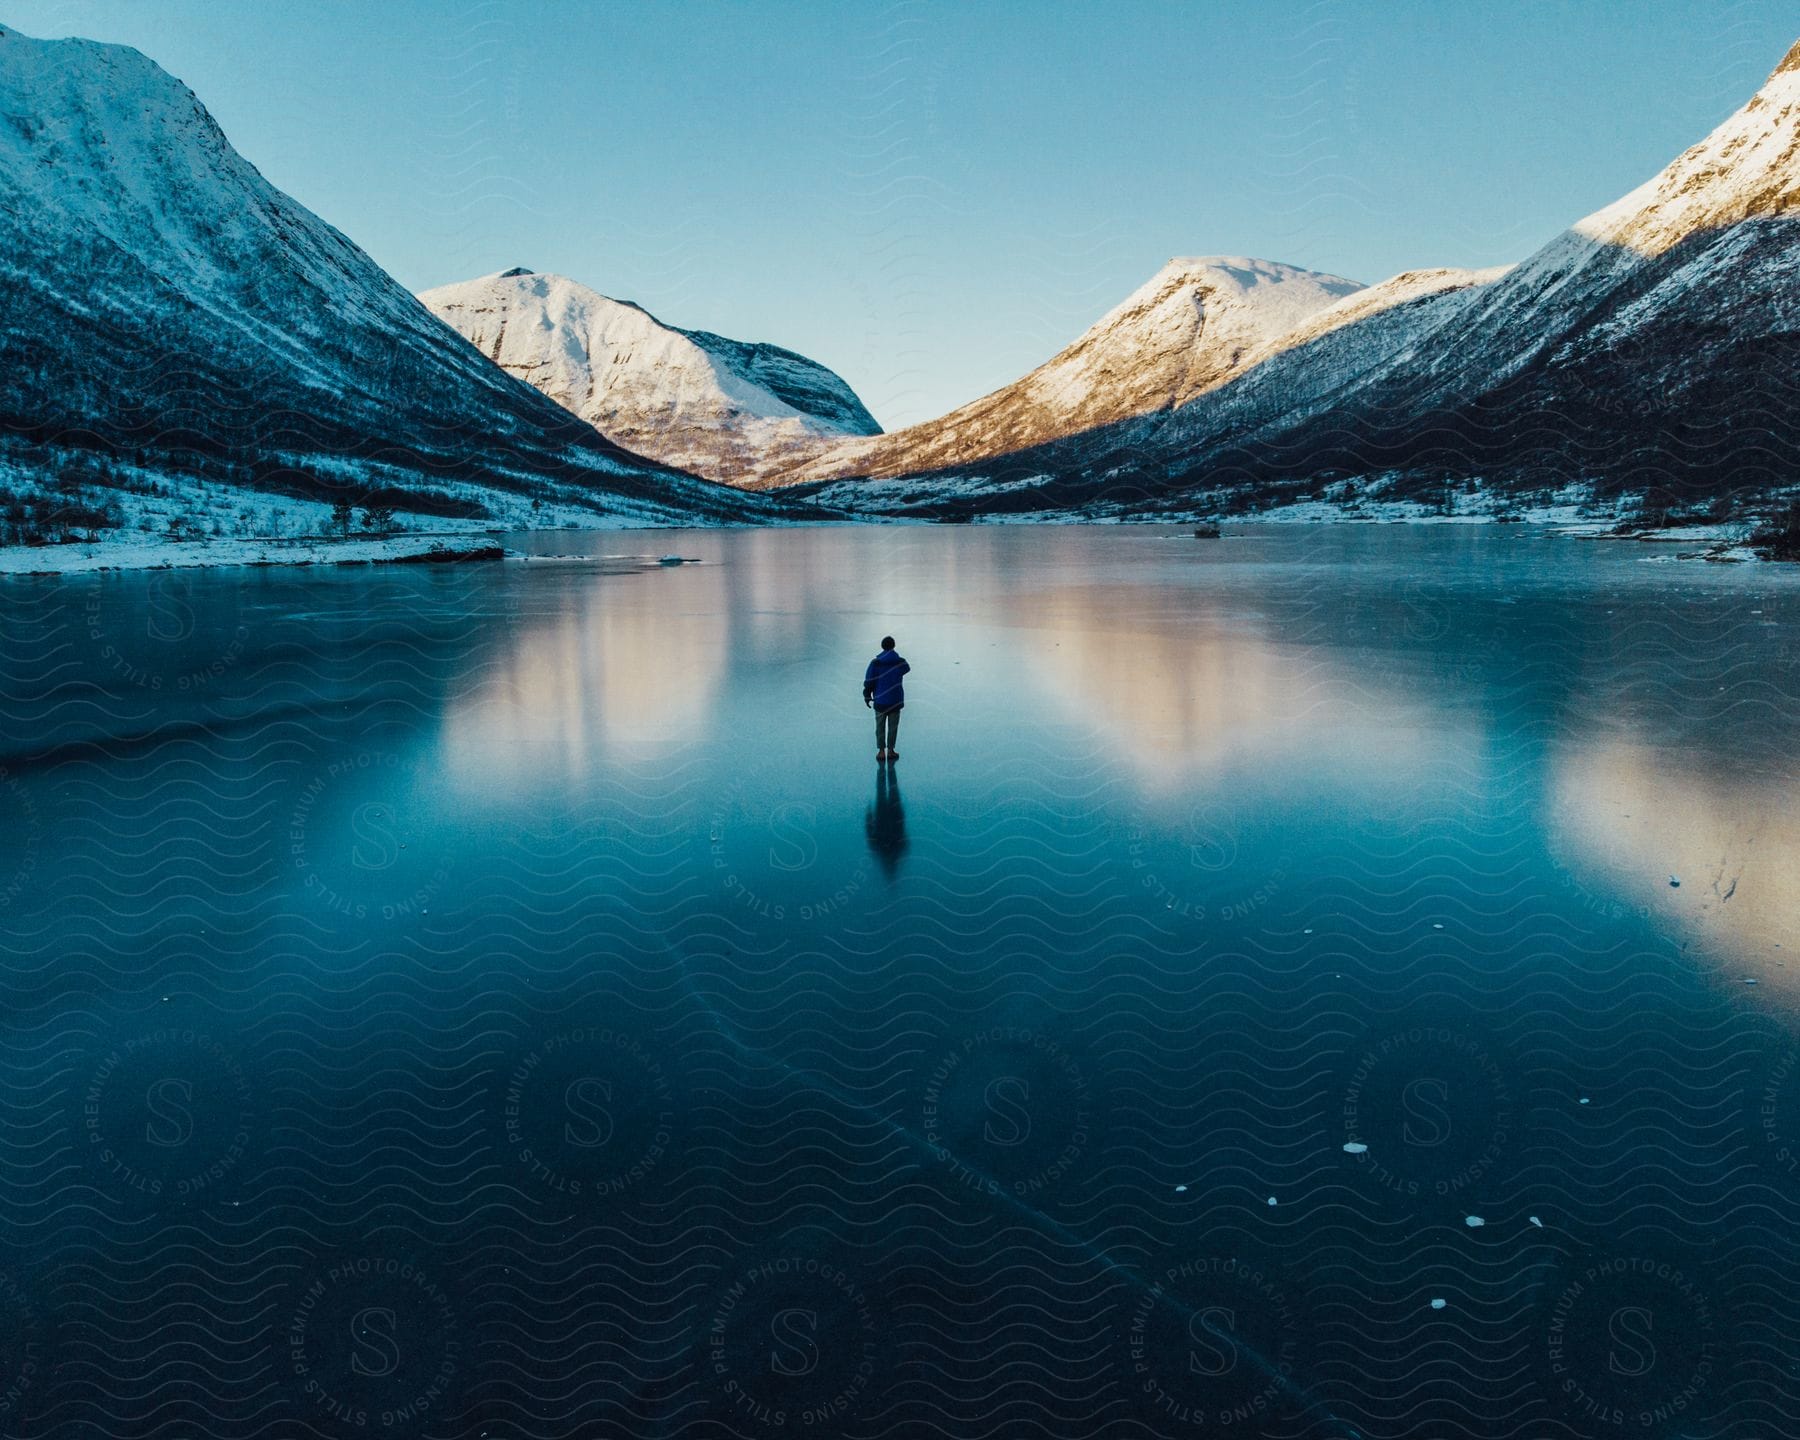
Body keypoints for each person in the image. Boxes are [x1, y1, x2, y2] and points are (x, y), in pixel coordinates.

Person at [862, 636, 910, 762]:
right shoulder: (900, 662)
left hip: (880, 700)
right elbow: (907, 668)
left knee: (880, 726)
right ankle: (891, 750)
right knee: (893, 727)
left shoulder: (876, 663)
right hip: (895, 700)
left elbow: (869, 681)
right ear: (893, 646)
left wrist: (867, 694)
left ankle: (881, 751)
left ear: (882, 646)